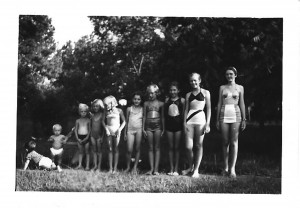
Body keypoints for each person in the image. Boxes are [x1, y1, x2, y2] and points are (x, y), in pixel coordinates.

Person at [216, 66, 246, 178]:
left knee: (234, 142)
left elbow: (242, 103)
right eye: (227, 74)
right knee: (224, 141)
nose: (229, 76)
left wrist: (244, 119)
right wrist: (217, 119)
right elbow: (219, 103)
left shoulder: (240, 88)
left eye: (231, 74)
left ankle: (232, 168)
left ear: (235, 75)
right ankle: (225, 167)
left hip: (236, 114)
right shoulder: (222, 87)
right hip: (224, 114)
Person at [182, 73, 211, 178]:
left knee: (198, 145)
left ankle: (196, 170)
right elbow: (186, 110)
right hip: (190, 120)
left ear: (199, 80)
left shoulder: (206, 93)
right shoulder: (188, 95)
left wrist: (207, 124)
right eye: (191, 81)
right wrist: (184, 122)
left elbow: (209, 109)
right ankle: (191, 166)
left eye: (195, 80)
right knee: (188, 147)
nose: (193, 82)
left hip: (201, 120)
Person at [143, 84, 165, 175]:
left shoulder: (161, 104)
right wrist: (143, 128)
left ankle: (156, 169)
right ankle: (151, 168)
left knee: (157, 147)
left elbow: (163, 117)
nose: (150, 95)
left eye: (152, 93)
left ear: (157, 93)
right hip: (148, 126)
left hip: (158, 126)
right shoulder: (146, 103)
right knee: (150, 147)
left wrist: (163, 128)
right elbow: (144, 116)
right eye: (149, 93)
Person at [165, 81, 185, 176]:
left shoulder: (182, 100)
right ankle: (171, 168)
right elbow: (165, 114)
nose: (173, 92)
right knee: (170, 147)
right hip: (169, 125)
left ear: (178, 90)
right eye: (171, 90)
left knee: (176, 147)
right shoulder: (167, 100)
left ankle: (176, 168)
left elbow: (184, 114)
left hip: (178, 126)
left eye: (174, 90)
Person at [103, 95, 126, 174]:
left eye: (106, 105)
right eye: (104, 105)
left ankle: (115, 168)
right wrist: (106, 128)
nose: (105, 106)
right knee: (110, 149)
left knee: (116, 149)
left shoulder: (119, 111)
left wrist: (120, 130)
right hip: (109, 130)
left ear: (112, 103)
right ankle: (110, 168)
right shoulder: (106, 112)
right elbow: (103, 121)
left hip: (116, 131)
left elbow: (124, 121)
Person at [124, 92, 143, 174]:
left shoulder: (143, 109)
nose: (136, 101)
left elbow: (144, 121)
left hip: (139, 130)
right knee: (129, 149)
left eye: (138, 99)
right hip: (130, 130)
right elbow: (126, 121)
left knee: (137, 148)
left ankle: (135, 167)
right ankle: (128, 167)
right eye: (135, 99)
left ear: (141, 100)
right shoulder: (129, 109)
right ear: (132, 99)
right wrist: (124, 133)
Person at [74, 103, 91, 170]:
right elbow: (75, 130)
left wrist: (87, 137)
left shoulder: (88, 120)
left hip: (86, 137)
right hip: (79, 137)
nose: (83, 113)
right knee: (81, 152)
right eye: (82, 111)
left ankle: (87, 166)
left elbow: (89, 130)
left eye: (85, 111)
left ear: (87, 112)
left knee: (87, 152)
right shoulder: (77, 121)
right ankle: (80, 165)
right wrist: (77, 138)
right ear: (79, 112)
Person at [90, 99, 105, 171]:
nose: (95, 108)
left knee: (99, 151)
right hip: (92, 135)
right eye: (94, 106)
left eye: (97, 106)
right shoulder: (92, 115)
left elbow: (104, 127)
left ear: (100, 107)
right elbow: (90, 126)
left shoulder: (102, 115)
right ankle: (95, 165)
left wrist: (102, 137)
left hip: (99, 136)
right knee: (94, 151)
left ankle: (99, 166)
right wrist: (90, 135)